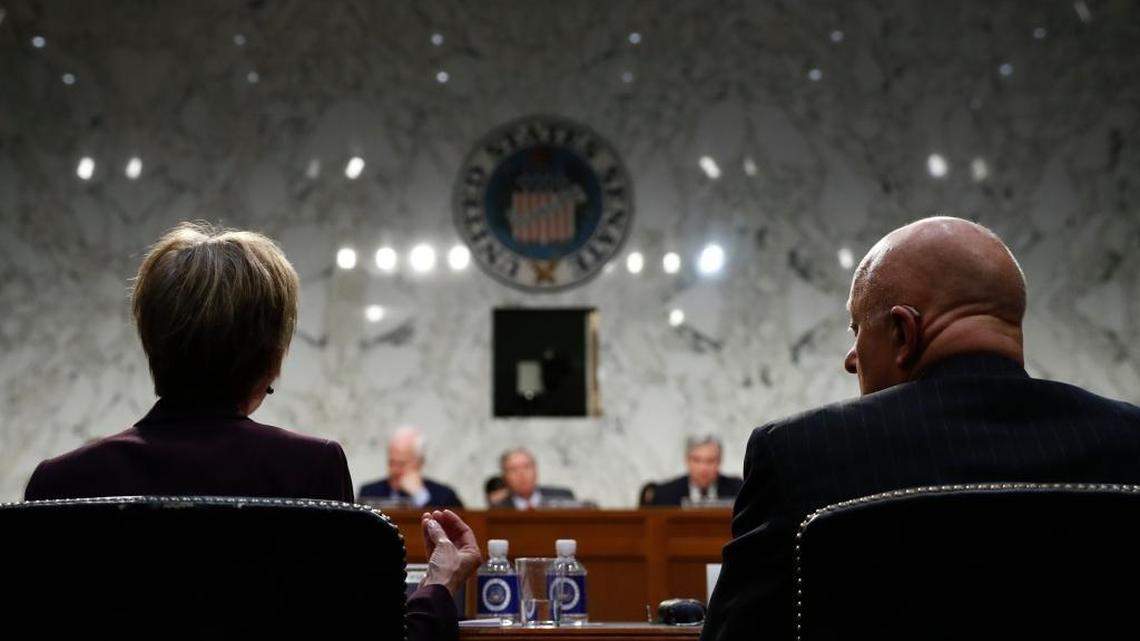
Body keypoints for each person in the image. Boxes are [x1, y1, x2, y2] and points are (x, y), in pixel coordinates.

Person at [22, 222, 478, 641]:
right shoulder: (309, 470)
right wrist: (439, 585)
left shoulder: (59, 483)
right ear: (272, 360)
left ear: (150, 342)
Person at [701, 217, 1140, 641]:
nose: (851, 358)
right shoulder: (1127, 440)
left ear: (903, 332)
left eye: (857, 330)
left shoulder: (798, 455)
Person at [359, 426, 463, 508]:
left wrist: (419, 496)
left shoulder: (445, 496)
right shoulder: (368, 492)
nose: (394, 470)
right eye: (391, 463)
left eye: (401, 464)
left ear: (420, 463)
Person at [648, 435, 743, 506]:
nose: (703, 468)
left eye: (710, 461)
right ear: (687, 460)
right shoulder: (665, 493)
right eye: (696, 460)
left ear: (719, 461)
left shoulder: (738, 491)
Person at [491, 447, 575, 509]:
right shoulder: (499, 509)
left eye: (526, 467)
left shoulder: (562, 497)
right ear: (504, 476)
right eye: (513, 470)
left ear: (536, 470)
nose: (521, 474)